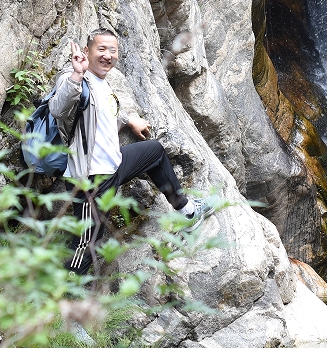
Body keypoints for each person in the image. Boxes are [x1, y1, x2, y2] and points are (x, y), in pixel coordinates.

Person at [46, 27, 207, 273]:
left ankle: (186, 211)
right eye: (101, 49)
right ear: (87, 51)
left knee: (154, 151)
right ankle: (65, 288)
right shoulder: (74, 79)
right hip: (90, 180)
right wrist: (76, 76)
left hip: (113, 165)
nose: (107, 55)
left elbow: (101, 114)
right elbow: (58, 108)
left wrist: (128, 120)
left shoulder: (101, 82)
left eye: (112, 50)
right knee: (89, 241)